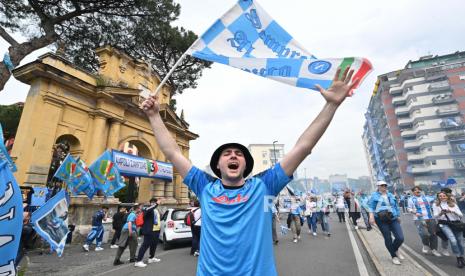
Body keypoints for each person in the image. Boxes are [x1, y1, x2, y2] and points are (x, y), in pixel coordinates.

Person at [141, 67, 359, 275]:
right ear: (218, 165)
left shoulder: (264, 185)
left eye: (239, 154)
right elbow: (172, 152)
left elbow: (303, 147)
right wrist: (153, 116)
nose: (233, 156)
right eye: (227, 154)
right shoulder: (205, 185)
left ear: (246, 165)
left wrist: (331, 106)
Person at [368, 180, 404, 265]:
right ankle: (393, 256)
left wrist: (398, 216)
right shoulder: (374, 195)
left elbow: (395, 206)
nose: (384, 187)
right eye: (382, 185)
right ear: (378, 186)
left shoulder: (390, 195)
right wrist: (371, 217)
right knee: (388, 238)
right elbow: (371, 207)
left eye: (385, 185)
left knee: (400, 238)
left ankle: (394, 249)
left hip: (393, 217)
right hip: (381, 219)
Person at [433, 191, 464, 268]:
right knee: (453, 240)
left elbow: (461, 215)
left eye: (444, 196)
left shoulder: (453, 204)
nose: (442, 197)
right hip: (444, 224)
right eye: (440, 196)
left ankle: (462, 256)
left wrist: (452, 212)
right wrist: (441, 213)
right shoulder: (436, 205)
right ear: (438, 197)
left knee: (460, 242)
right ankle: (458, 257)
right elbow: (435, 216)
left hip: (456, 224)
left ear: (447, 196)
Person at [407, 186, 441, 256]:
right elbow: (409, 209)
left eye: (419, 189)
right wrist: (415, 212)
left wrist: (440, 193)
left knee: (433, 234)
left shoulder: (427, 198)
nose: (417, 191)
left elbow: (437, 198)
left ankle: (434, 249)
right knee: (424, 234)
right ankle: (426, 245)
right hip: (419, 219)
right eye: (415, 190)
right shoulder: (411, 199)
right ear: (413, 192)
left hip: (430, 218)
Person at [135, 198, 162, 268]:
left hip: (157, 230)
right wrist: (156, 204)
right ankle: (138, 261)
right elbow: (149, 209)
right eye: (152, 202)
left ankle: (151, 258)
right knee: (145, 245)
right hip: (149, 230)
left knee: (154, 245)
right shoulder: (146, 209)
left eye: (154, 202)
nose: (153, 203)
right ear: (150, 203)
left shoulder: (156, 210)